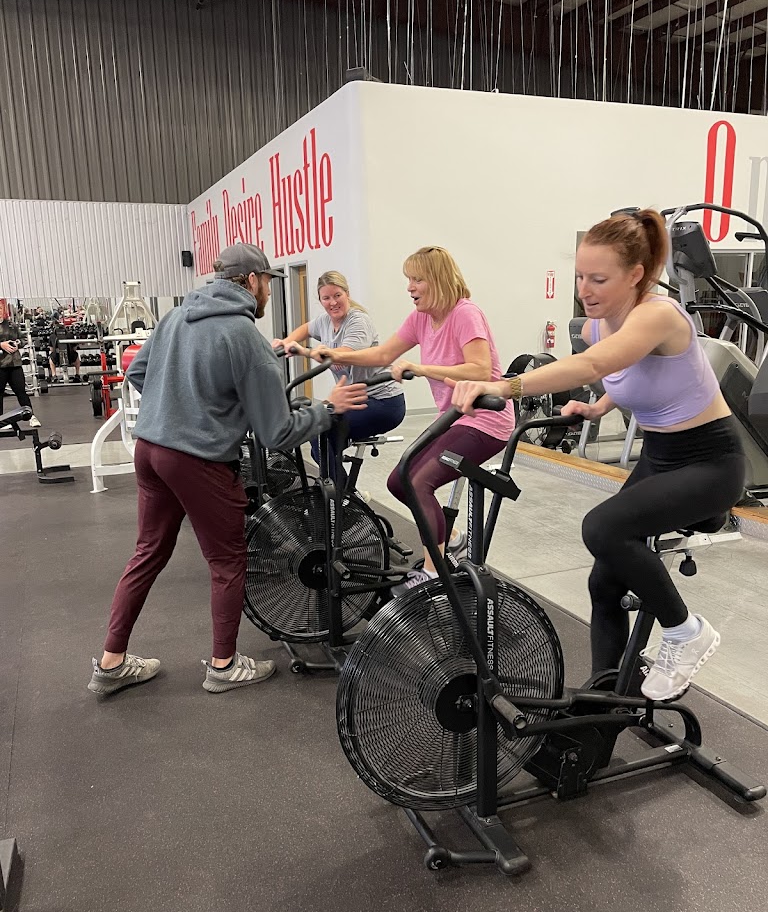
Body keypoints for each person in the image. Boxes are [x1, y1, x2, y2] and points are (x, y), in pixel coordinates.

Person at [449, 209, 745, 703]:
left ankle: (686, 631)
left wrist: (505, 385)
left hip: (710, 462)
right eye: (580, 276)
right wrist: (598, 406)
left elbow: (593, 364)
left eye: (599, 279)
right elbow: (625, 371)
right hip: (660, 456)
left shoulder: (659, 315)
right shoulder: (596, 326)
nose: (585, 289)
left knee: (603, 528)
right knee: (604, 582)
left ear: (636, 275)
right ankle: (606, 703)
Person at [87, 243, 367, 698]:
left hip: (151, 450)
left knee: (148, 552)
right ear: (252, 281)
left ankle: (111, 662)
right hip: (197, 460)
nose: (268, 293)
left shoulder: (176, 316)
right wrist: (327, 408)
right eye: (267, 284)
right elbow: (277, 433)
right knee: (227, 560)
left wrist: (183, 408)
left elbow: (138, 373)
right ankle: (223, 665)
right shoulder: (245, 337)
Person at [311, 246, 516, 592]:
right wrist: (333, 353)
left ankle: (434, 575)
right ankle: (451, 538)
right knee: (399, 481)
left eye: (417, 279)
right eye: (409, 279)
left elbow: (480, 370)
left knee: (420, 482)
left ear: (438, 279)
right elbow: (383, 353)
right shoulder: (421, 318)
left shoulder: (465, 313)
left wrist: (421, 368)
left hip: (485, 420)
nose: (409, 287)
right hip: (454, 418)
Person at [273, 270, 406, 486]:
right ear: (320, 300)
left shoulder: (358, 321)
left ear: (347, 294)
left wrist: (304, 351)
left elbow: (340, 358)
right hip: (354, 399)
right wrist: (285, 342)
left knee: (320, 432)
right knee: (319, 439)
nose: (333, 302)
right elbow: (306, 328)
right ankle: (342, 493)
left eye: (337, 295)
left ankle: (341, 496)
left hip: (383, 403)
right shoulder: (325, 321)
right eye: (326, 298)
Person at [0, 316, 41, 427]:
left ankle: (31, 416)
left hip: (14, 364)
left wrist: (18, 343)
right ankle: (1, 422)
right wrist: (1, 345)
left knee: (21, 391)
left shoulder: (11, 325)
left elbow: (23, 339)